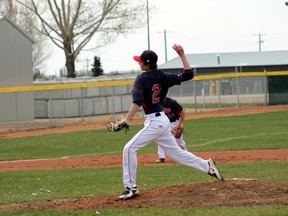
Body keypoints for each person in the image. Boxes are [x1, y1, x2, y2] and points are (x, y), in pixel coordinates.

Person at [119, 44, 224, 200]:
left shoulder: (141, 78)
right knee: (176, 154)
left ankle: (130, 188)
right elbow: (189, 74)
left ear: (147, 64)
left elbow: (137, 102)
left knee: (129, 149)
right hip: (162, 120)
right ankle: (206, 166)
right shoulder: (163, 76)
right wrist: (181, 54)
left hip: (155, 122)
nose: (139, 63)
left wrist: (127, 120)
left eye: (141, 61)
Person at [156, 97, 187, 163]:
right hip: (165, 123)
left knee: (179, 141)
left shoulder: (172, 102)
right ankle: (161, 157)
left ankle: (186, 154)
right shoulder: (157, 103)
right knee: (161, 138)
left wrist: (180, 124)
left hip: (175, 122)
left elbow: (182, 113)